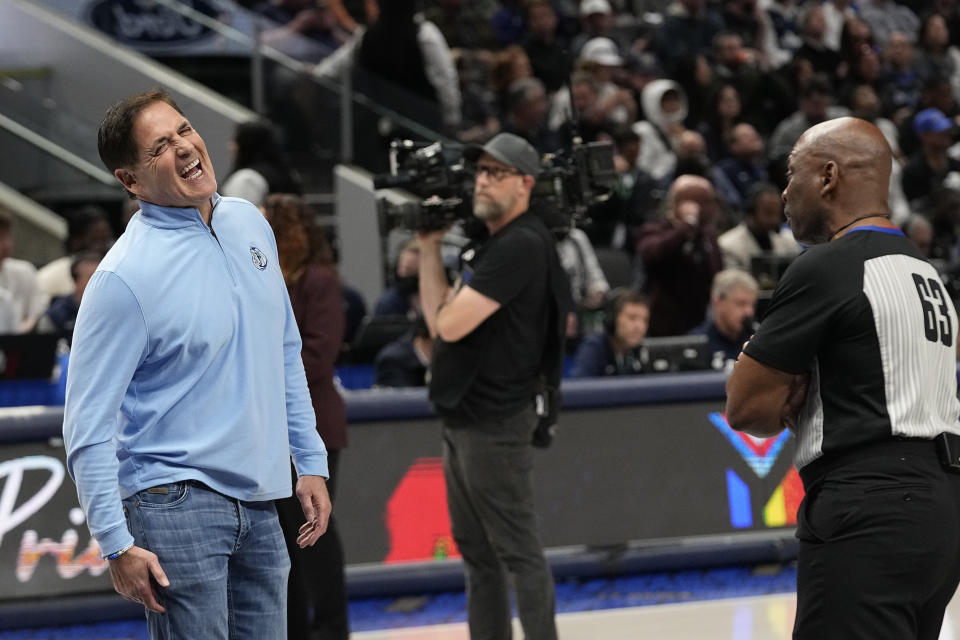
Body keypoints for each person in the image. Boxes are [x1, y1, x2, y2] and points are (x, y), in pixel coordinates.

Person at [62, 89, 331, 639]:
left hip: (262, 499)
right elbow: (85, 427)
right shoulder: (121, 280)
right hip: (173, 503)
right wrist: (115, 543)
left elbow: (283, 349)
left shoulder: (251, 223)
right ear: (130, 180)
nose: (185, 147)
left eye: (184, 130)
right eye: (161, 145)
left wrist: (309, 459)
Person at [726, 117, 960, 640]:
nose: (784, 192)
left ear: (828, 177)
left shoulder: (826, 267)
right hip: (942, 509)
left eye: (792, 174)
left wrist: (785, 390)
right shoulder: (927, 273)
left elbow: (745, 409)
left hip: (867, 504)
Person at [417, 132, 567, 640]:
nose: (482, 180)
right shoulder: (495, 244)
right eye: (480, 171)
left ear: (525, 183)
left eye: (495, 173)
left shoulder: (521, 243)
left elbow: (450, 326)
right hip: (465, 418)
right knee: (479, 558)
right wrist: (428, 247)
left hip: (494, 423)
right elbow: (440, 319)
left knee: (518, 553)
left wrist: (447, 307)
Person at [263, 193, 349, 640]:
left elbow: (317, 356)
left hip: (314, 427)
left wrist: (257, 374)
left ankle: (332, 630)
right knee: (281, 545)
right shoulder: (262, 281)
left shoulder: (318, 280)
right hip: (268, 433)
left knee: (314, 534)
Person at [636, 174, 723, 336]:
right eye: (703, 201)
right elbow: (652, 254)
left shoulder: (707, 236)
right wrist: (686, 227)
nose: (710, 209)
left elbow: (716, 273)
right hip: (663, 324)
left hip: (700, 321)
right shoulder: (655, 229)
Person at [718, 182, 800, 271]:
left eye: (778, 213)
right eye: (768, 213)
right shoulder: (728, 245)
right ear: (751, 212)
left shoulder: (790, 241)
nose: (775, 220)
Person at [37, 205, 114, 298]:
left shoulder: (115, 272)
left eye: (106, 240)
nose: (102, 247)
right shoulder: (49, 277)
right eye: (95, 241)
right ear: (75, 242)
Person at [570, 288, 650, 377]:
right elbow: (580, 387)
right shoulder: (594, 347)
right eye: (632, 318)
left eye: (645, 320)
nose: (639, 326)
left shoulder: (641, 352)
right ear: (613, 319)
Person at [689, 269, 758, 365]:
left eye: (752, 305)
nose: (749, 312)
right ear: (718, 303)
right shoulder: (696, 343)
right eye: (741, 304)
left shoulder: (757, 339)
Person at [34, 251, 102, 345]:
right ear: (76, 282)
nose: (100, 283)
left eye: (102, 278)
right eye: (92, 278)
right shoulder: (55, 316)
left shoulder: (114, 309)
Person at [0, 207, 49, 333]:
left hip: (22, 344)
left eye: (7, 236)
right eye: (0, 237)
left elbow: (36, 312)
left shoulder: (25, 271)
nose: (6, 244)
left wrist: (18, 335)